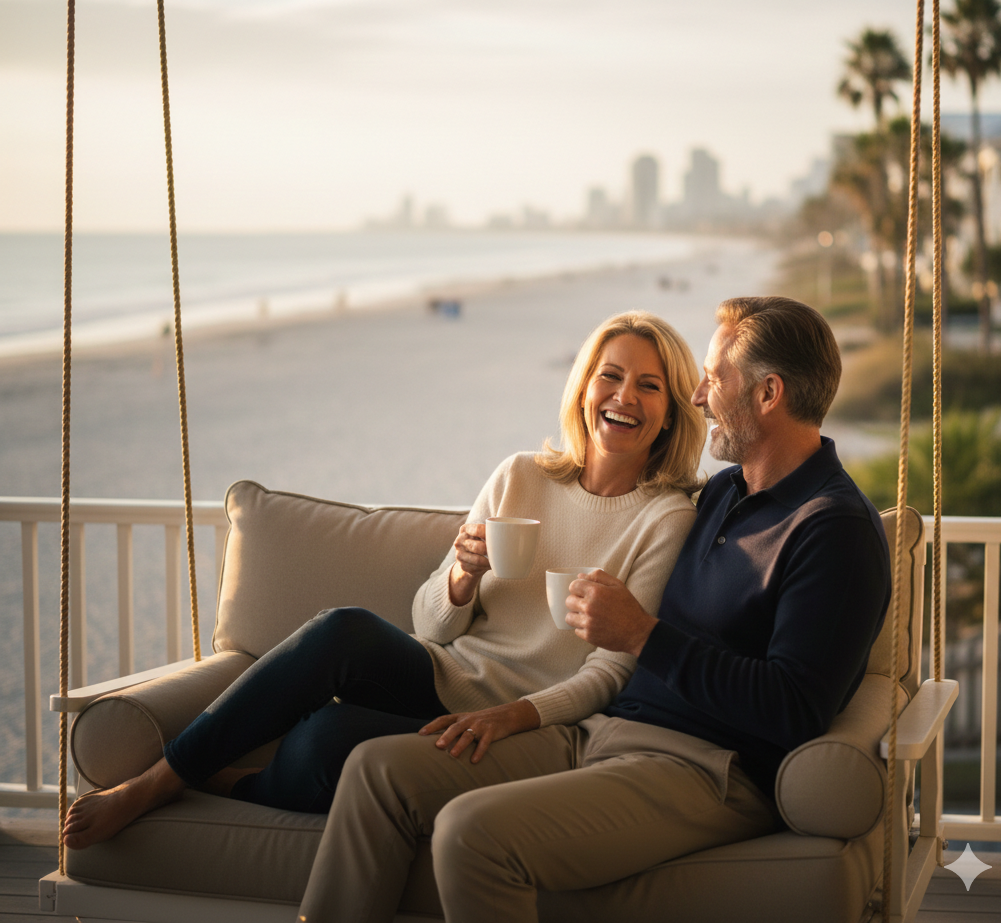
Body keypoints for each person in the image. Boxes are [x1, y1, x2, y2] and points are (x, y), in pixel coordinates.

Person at [297, 295, 892, 923]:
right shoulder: (724, 493)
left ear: (768, 394)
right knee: (376, 768)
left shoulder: (833, 531)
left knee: (472, 833)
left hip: (707, 768)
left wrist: (642, 634)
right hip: (598, 734)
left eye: (714, 379)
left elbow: (795, 709)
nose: (698, 397)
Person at [62, 310, 707, 849]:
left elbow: (613, 668)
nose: (624, 397)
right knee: (343, 629)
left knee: (328, 740)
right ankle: (157, 782)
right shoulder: (522, 476)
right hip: (444, 674)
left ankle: (236, 784)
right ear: (584, 389)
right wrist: (460, 576)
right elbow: (428, 624)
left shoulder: (666, 518)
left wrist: (516, 716)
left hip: (528, 718)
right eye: (611, 376)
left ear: (672, 412)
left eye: (649, 387)